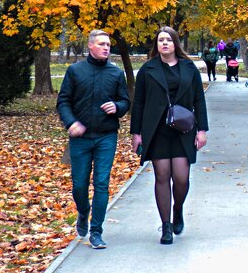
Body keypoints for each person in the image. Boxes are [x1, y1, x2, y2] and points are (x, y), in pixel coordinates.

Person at [131, 27, 209, 245]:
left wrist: (202, 130)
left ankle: (178, 209)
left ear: (175, 43)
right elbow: (138, 103)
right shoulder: (148, 69)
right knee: (162, 176)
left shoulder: (188, 68)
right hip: (157, 130)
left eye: (168, 40)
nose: (164, 43)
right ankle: (166, 225)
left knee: (182, 178)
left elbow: (198, 100)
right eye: (160, 40)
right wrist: (136, 133)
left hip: (183, 129)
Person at [56, 29, 130, 250]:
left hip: (106, 136)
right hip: (81, 138)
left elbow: (125, 102)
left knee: (101, 183)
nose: (106, 48)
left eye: (108, 44)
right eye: (101, 44)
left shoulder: (116, 74)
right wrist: (71, 123)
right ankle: (83, 211)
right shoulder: (75, 71)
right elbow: (63, 102)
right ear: (90, 46)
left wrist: (117, 107)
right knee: (79, 184)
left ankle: (96, 231)